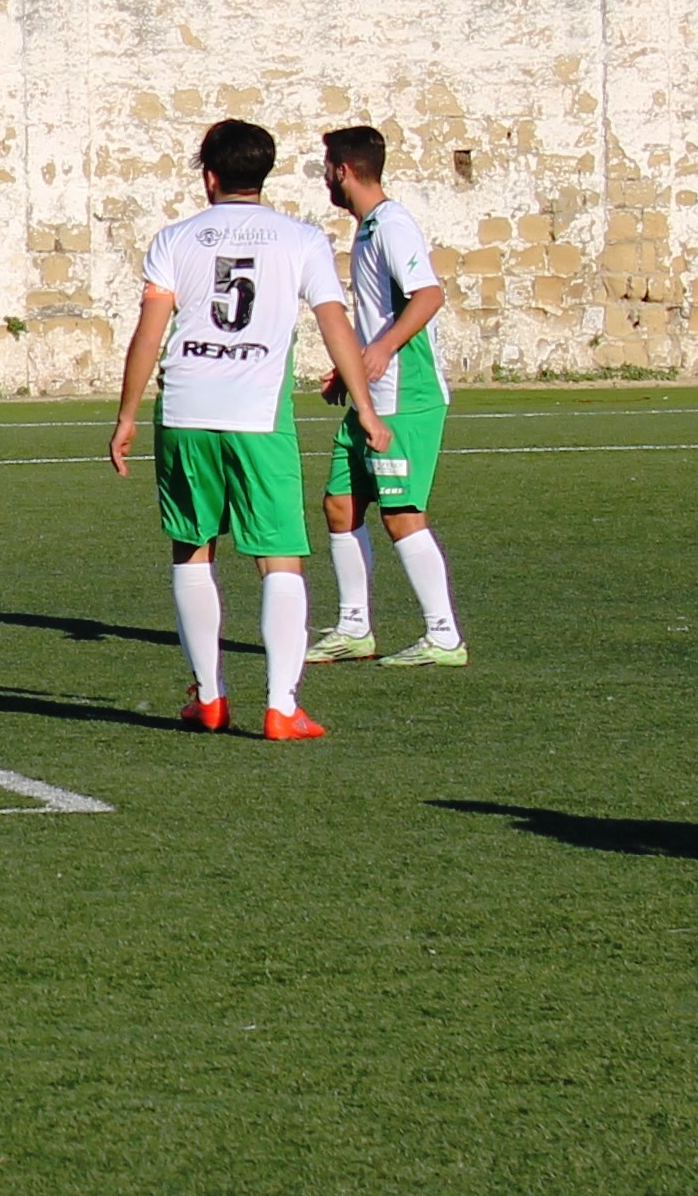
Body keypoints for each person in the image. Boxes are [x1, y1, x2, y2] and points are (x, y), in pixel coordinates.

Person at [107, 119, 390, 741]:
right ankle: (281, 706)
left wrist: (127, 415)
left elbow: (149, 334)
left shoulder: (174, 239)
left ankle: (209, 698)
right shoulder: (302, 238)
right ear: (263, 174)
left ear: (209, 176)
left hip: (185, 412)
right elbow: (335, 324)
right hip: (259, 418)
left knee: (192, 548)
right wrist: (367, 409)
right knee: (278, 556)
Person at [310, 125, 469, 667]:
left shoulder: (393, 225)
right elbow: (382, 312)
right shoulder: (369, 228)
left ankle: (443, 635)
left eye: (326, 167)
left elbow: (429, 295)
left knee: (401, 514)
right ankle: (354, 628)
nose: (324, 177)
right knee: (340, 504)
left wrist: (381, 349)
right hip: (373, 396)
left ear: (343, 171)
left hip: (406, 397)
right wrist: (351, 366)